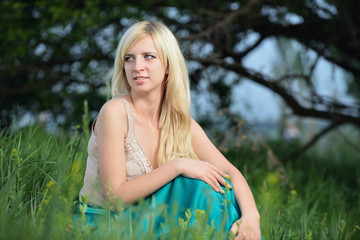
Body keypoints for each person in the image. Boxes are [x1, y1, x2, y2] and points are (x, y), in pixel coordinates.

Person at [76, 20, 262, 240]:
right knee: (194, 187)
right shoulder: (115, 113)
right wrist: (178, 165)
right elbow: (116, 196)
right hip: (105, 225)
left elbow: (230, 174)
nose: (137, 67)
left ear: (167, 66)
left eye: (148, 56)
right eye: (129, 58)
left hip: (152, 220)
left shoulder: (182, 124)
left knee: (215, 190)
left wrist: (251, 216)